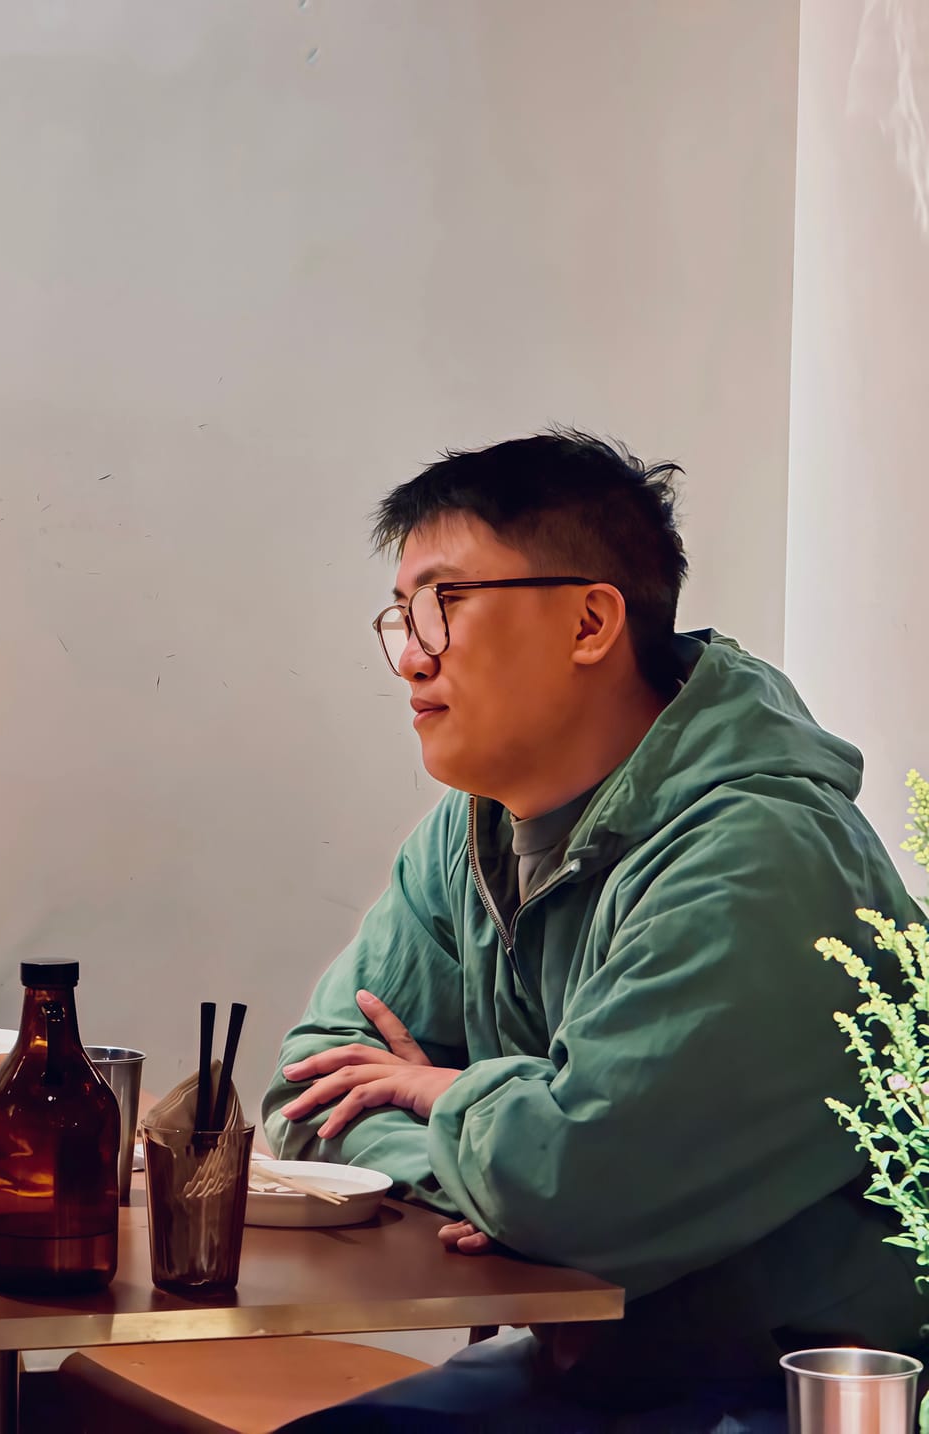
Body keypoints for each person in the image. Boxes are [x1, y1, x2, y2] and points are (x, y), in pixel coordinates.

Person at [262, 431, 924, 1432]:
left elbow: (569, 1189)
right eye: (399, 615)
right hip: (605, 1367)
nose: (409, 654)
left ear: (587, 620)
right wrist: (501, 1158)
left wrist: (450, 1097)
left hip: (799, 1389)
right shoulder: (470, 828)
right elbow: (312, 1091)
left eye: (443, 603)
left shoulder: (755, 855)